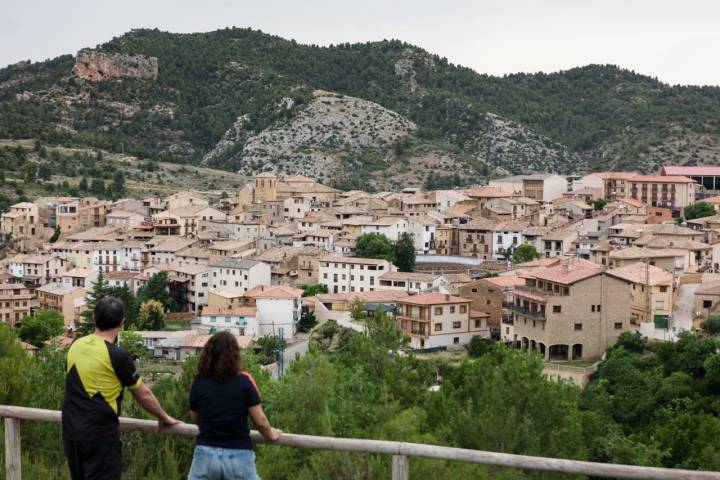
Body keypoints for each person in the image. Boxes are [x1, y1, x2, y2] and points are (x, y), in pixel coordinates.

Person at [62, 296, 179, 480]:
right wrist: (164, 417)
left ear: (94, 318)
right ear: (122, 322)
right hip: (100, 438)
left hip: (71, 433)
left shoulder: (75, 345)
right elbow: (143, 395)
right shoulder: (118, 355)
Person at [188, 331, 281, 480]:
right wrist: (271, 434)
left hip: (205, 453)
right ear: (235, 355)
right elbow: (260, 421)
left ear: (208, 354)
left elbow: (195, 418)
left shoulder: (198, 382)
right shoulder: (244, 382)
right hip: (238, 454)